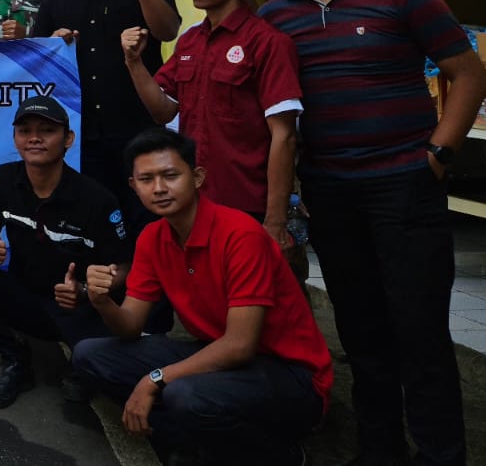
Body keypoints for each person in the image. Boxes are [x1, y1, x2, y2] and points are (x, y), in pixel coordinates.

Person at [259, 0, 486, 466]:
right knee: (361, 331)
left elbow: (469, 75)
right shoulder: (275, 16)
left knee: (420, 330)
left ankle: (440, 455)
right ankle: (378, 450)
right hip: (329, 191)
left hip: (404, 185)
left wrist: (438, 153)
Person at [72, 128, 332, 465]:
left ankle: (281, 455)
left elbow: (240, 345)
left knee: (184, 394)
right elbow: (131, 326)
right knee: (89, 354)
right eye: (147, 179)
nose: (159, 188)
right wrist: (103, 301)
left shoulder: (240, 235)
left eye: (170, 175)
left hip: (292, 376)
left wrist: (154, 380)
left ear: (197, 178)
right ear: (134, 186)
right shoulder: (152, 237)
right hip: (219, 357)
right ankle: (197, 439)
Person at [0, 96, 127, 408]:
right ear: (15, 138)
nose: (35, 138)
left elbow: (124, 268)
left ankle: (83, 364)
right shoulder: (3, 178)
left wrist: (86, 291)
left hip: (78, 308)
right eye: (25, 130)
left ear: (68, 139)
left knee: (94, 373)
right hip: (26, 298)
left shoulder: (98, 198)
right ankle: (15, 359)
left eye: (47, 130)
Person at [122, 0, 302, 256]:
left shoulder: (268, 42)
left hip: (247, 202)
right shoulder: (190, 40)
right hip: (192, 200)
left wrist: (275, 220)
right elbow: (163, 111)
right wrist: (134, 63)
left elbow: (284, 136)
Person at [32, 0, 180, 216]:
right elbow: (37, 67)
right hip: (81, 140)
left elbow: (167, 31)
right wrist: (53, 45)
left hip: (140, 131)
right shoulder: (55, 0)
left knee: (145, 220)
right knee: (91, 221)